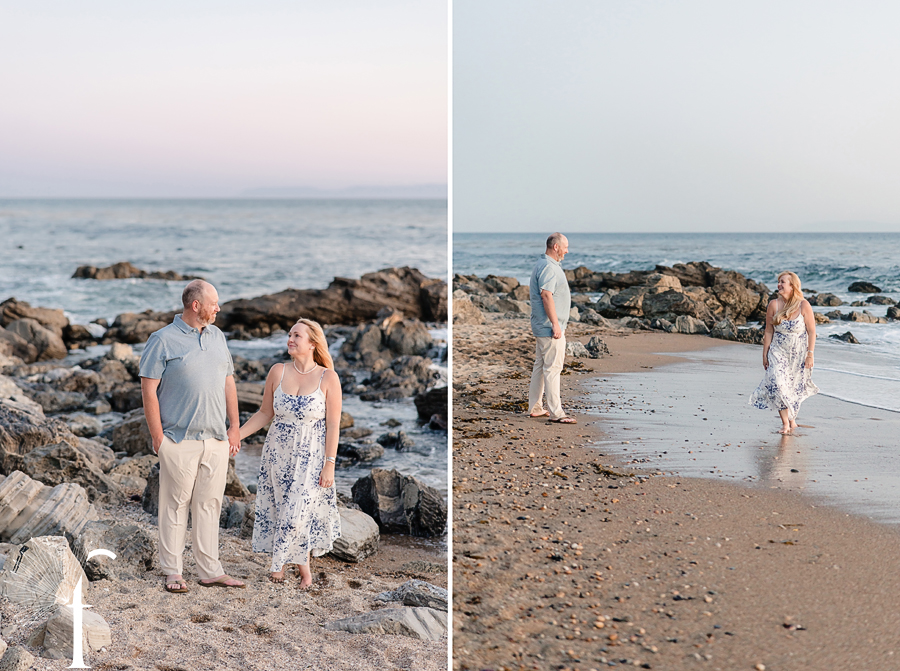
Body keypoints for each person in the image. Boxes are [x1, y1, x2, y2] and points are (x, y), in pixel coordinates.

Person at [140, 280, 245, 593]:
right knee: (174, 505)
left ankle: (210, 570)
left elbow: (229, 383)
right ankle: (173, 571)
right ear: (196, 305)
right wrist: (158, 437)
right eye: (214, 303)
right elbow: (148, 389)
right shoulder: (162, 340)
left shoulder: (217, 337)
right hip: (177, 438)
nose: (219, 308)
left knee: (209, 505)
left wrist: (235, 426)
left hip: (215, 438)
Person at [239, 318, 342, 586]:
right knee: (280, 509)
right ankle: (284, 568)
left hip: (312, 458)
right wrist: (236, 435)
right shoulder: (278, 371)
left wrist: (330, 463)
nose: (290, 339)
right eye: (289, 334)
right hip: (277, 454)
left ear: (312, 344)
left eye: (297, 336)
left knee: (298, 513)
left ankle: (294, 569)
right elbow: (265, 413)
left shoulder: (328, 378)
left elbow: (333, 424)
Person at [750, 271, 819, 434]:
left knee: (792, 388)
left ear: (792, 286)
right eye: (778, 282)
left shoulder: (804, 305)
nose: (778, 285)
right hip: (778, 352)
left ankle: (792, 420)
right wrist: (764, 354)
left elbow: (812, 331)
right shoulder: (773, 304)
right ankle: (785, 424)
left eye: (782, 282)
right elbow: (768, 331)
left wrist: (810, 354)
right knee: (778, 384)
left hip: (798, 355)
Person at [527, 232, 576, 424]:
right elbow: (546, 295)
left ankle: (535, 407)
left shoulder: (545, 264)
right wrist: (556, 324)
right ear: (556, 247)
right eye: (565, 246)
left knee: (540, 366)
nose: (567, 250)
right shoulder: (548, 267)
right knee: (553, 368)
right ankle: (557, 413)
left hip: (543, 325)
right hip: (549, 327)